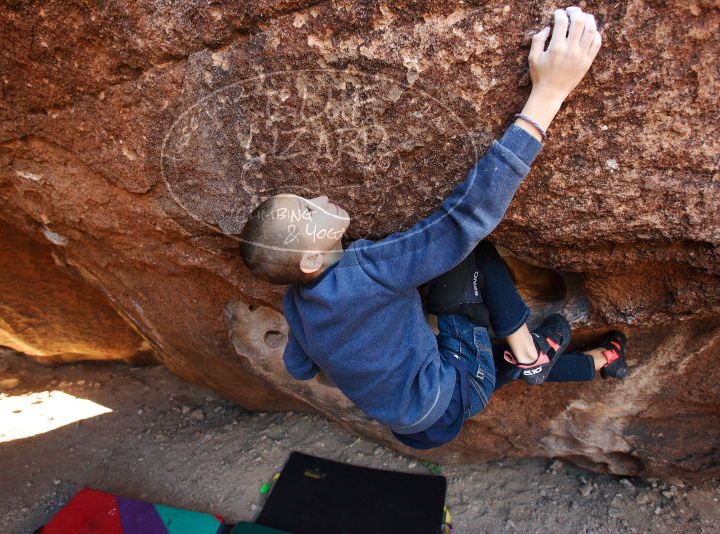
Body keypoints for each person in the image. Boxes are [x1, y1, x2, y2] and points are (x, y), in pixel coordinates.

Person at [238, 6, 617, 449]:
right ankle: (531, 353)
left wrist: (366, 354)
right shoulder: (367, 270)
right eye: (308, 212)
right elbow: (463, 219)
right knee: (468, 250)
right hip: (452, 392)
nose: (319, 200)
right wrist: (548, 95)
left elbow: (301, 368)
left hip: (408, 425)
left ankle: (592, 358)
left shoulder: (298, 306)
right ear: (310, 259)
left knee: (502, 362)